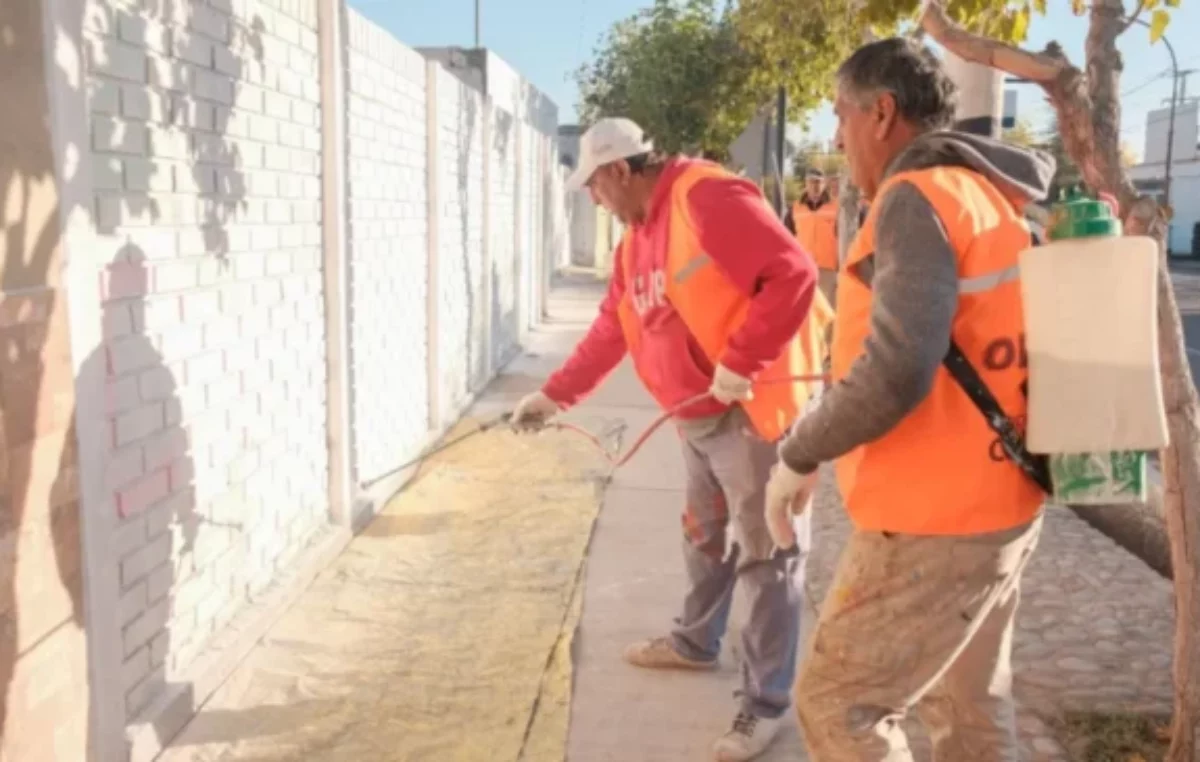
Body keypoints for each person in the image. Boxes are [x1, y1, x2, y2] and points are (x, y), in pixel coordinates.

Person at [761, 38, 1055, 761]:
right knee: (972, 711)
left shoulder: (914, 198)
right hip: (1005, 496)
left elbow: (897, 371)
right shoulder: (988, 196)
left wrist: (798, 453)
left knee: (838, 704)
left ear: (882, 112)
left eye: (840, 115)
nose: (836, 135)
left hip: (935, 518)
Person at [510, 117, 832, 761]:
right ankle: (695, 642)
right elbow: (614, 328)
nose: (593, 200)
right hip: (695, 417)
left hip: (751, 413)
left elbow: (793, 274)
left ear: (622, 170)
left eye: (595, 186)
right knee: (703, 536)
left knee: (768, 558)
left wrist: (740, 360)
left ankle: (766, 703)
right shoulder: (635, 237)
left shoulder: (706, 198)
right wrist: (555, 395)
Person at [785, 169, 839, 304]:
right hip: (804, 268)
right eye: (811, 182)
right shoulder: (795, 209)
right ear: (806, 184)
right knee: (805, 310)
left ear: (824, 184)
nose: (815, 186)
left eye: (818, 182)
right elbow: (786, 239)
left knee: (828, 311)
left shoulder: (836, 208)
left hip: (828, 268)